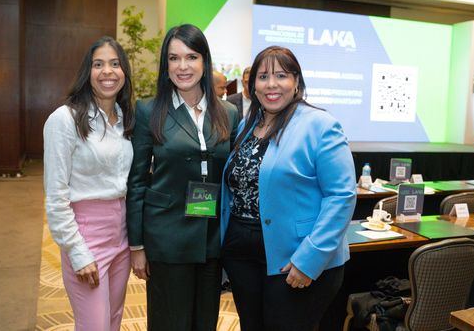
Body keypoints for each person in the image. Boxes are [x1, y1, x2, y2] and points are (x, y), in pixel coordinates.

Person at [220, 46, 356, 331]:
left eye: (281, 75)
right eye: (263, 76)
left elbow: (341, 196)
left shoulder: (321, 125)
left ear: (296, 82)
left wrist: (310, 259)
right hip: (243, 257)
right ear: (252, 84)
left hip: (294, 259)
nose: (271, 84)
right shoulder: (248, 124)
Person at [126, 24, 239, 331]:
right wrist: (136, 245)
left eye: (191, 57)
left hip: (210, 236)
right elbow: (136, 181)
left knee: (205, 321)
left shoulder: (228, 113)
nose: (183, 66)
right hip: (167, 236)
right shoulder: (150, 110)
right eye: (174, 58)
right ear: (166, 64)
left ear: (204, 62)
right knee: (169, 322)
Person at [43, 36, 134, 331]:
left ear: (124, 72)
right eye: (98, 64)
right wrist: (76, 250)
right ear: (88, 72)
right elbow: (56, 196)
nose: (107, 71)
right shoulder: (64, 120)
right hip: (85, 235)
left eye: (115, 64)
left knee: (113, 319)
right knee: (94, 326)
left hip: (121, 236)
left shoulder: (125, 119)